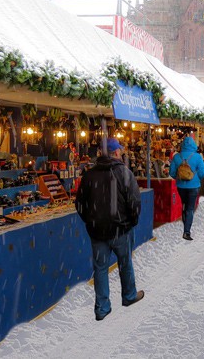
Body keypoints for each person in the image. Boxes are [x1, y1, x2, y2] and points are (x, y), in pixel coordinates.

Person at [75, 138, 144, 321]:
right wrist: (131, 221)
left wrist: (91, 221)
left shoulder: (90, 175)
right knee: (125, 263)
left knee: (100, 269)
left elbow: (80, 204)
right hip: (120, 229)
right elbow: (134, 201)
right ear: (116, 153)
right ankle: (129, 296)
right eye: (119, 151)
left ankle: (102, 308)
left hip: (98, 231)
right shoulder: (124, 172)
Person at [169, 136, 204, 241]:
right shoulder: (197, 157)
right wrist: (196, 179)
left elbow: (171, 172)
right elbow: (202, 172)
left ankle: (185, 222)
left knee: (184, 204)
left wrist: (179, 178)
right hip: (194, 186)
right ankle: (186, 231)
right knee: (190, 208)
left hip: (181, 186)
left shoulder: (177, 157)